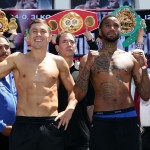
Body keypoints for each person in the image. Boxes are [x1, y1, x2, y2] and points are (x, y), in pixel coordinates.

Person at [74, 14, 150, 150]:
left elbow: (146, 95)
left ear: (120, 30)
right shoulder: (88, 58)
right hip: (102, 120)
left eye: (116, 26)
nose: (112, 28)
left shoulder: (130, 58)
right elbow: (78, 95)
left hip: (128, 119)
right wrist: (87, 66)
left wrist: (143, 67)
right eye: (107, 25)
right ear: (100, 31)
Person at [0, 18, 77, 150]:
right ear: (28, 38)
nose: (38, 34)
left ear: (50, 37)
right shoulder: (17, 59)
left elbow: (73, 91)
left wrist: (70, 109)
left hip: (50, 125)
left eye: (43, 31)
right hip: (23, 126)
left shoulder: (58, 62)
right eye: (34, 31)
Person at [55, 30, 93, 150]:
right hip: (53, 135)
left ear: (76, 47)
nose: (69, 44)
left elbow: (90, 105)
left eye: (72, 42)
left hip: (80, 136)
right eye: (64, 41)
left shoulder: (83, 72)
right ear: (57, 48)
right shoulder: (49, 72)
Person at [0, 35, 17, 150]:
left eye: (7, 47)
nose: (4, 51)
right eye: (0, 48)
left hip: (18, 136)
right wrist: (2, 127)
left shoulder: (16, 75)